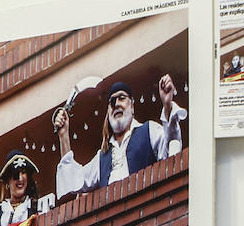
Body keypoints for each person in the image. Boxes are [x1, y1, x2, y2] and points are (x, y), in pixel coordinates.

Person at [53, 76, 186, 196]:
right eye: (112, 102)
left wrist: (167, 105)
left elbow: (172, 150)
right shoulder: (103, 156)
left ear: (132, 106)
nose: (116, 104)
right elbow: (75, 179)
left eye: (122, 98)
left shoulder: (149, 130)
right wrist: (63, 135)